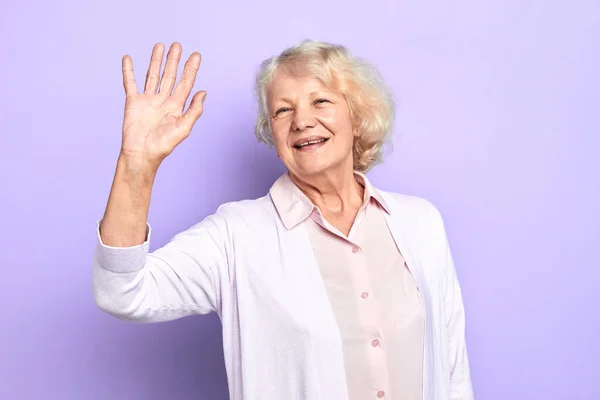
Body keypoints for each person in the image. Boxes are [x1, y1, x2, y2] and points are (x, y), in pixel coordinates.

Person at [93, 39, 474, 400]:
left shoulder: (420, 222)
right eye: (283, 110)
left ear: (357, 118)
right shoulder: (237, 235)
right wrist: (137, 164)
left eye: (320, 101)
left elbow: (453, 371)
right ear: (272, 133)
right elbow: (123, 292)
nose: (302, 121)